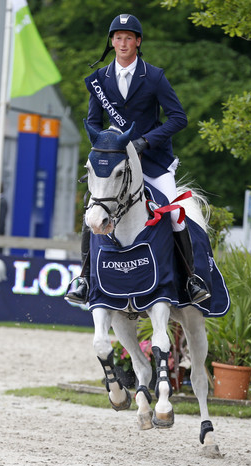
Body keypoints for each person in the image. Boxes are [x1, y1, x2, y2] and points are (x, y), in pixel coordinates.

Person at [65, 13, 209, 306]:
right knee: (91, 209)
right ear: (112, 42)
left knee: (172, 212)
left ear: (137, 42)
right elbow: (93, 123)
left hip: (153, 161)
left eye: (128, 38)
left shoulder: (154, 76)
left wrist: (145, 141)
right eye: (117, 38)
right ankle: (84, 278)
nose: (122, 43)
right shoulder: (100, 80)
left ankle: (190, 279)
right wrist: (106, 149)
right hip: (115, 165)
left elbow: (178, 118)